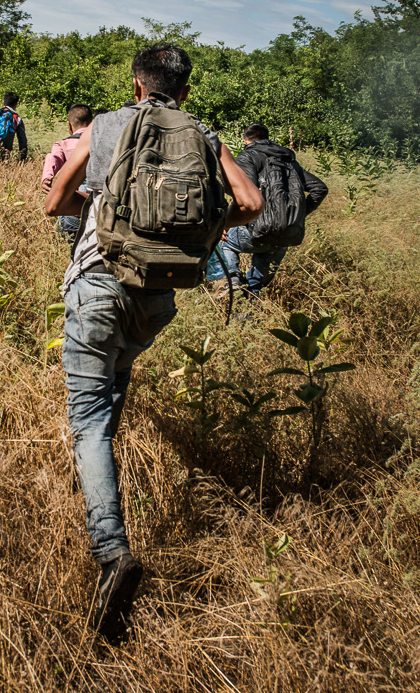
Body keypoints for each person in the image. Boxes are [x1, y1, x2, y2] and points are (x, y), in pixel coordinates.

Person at [44, 44, 262, 641]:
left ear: (137, 84)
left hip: (96, 281)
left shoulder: (110, 123)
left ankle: (111, 553)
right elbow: (253, 203)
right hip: (158, 297)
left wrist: (88, 203)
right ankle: (103, 474)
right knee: (111, 393)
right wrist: (204, 235)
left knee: (86, 420)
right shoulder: (204, 134)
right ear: (184, 90)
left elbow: (56, 200)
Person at [213, 122, 328, 296]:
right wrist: (298, 215)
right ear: (267, 138)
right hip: (287, 232)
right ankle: (249, 304)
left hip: (257, 229)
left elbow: (245, 192)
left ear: (245, 141)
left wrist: (225, 223)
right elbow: (320, 188)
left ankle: (233, 279)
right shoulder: (288, 160)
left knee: (224, 241)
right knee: (255, 287)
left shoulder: (248, 156)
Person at [40, 103, 92, 241]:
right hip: (98, 209)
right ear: (92, 123)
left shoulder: (62, 144)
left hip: (71, 208)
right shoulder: (99, 143)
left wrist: (47, 177)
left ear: (69, 125)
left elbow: (53, 157)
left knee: (70, 246)